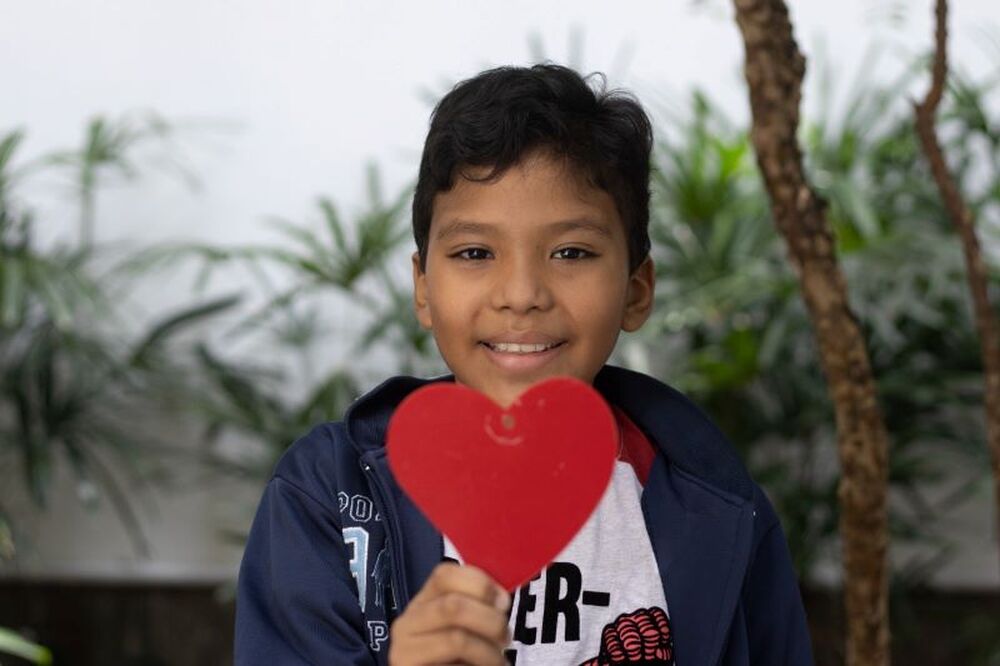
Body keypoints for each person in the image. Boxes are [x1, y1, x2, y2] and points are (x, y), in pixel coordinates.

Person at [234, 64, 814, 666]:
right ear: (424, 287)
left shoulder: (719, 505)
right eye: (475, 252)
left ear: (637, 290)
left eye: (571, 252)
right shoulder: (328, 497)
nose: (521, 293)